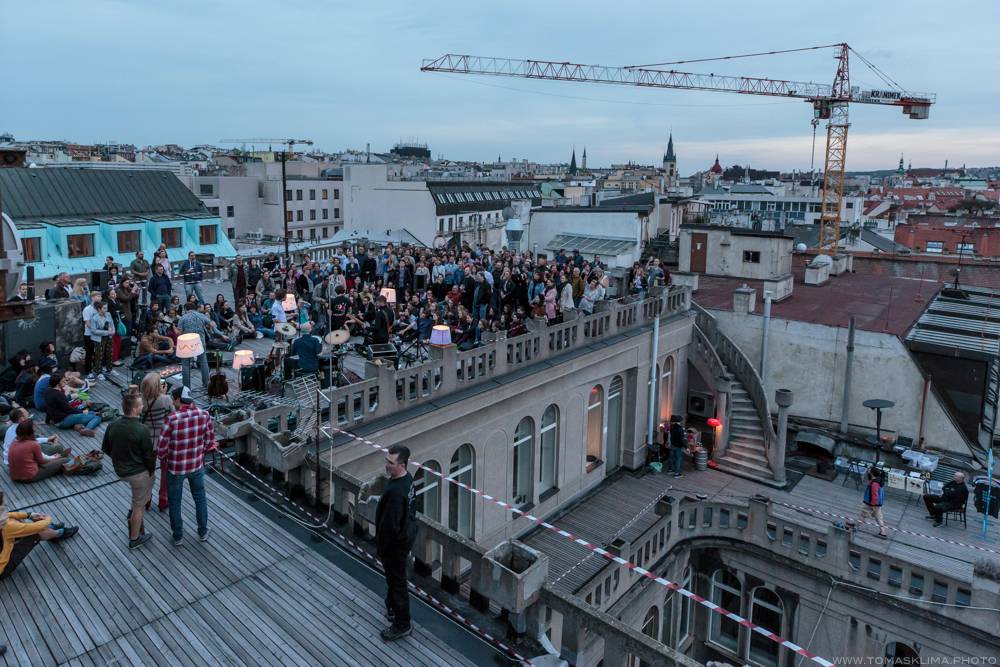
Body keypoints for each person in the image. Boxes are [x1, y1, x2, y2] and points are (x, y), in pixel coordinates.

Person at [158, 386, 216, 546]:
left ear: (178, 399)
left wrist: (164, 458)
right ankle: (203, 532)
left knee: (175, 502)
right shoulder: (204, 415)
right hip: (196, 466)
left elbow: (161, 448)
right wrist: (198, 453)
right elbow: (210, 442)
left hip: (175, 468)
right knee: (200, 498)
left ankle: (178, 536)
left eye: (173, 399)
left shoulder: (172, 419)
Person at [374, 444, 417, 641]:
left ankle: (402, 624)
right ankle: (391, 605)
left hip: (394, 546)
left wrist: (381, 549)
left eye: (390, 463)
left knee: (397, 582)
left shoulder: (396, 493)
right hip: (404, 539)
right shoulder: (408, 479)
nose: (386, 466)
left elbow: (389, 526)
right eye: (386, 461)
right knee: (394, 580)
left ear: (401, 464)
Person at [102, 394, 155, 549]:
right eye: (140, 405)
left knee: (136, 502)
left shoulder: (113, 424)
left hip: (121, 470)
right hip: (138, 473)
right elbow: (148, 456)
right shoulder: (142, 429)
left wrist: (120, 459)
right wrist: (151, 472)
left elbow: (106, 448)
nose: (143, 406)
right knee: (139, 505)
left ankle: (134, 518)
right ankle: (134, 539)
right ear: (134, 409)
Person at [1, 494, 78, 581]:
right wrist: (48, 519)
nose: (5, 509)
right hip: (3, 568)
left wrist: (29, 515)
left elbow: (8, 515)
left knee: (15, 521)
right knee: (36, 534)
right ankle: (59, 533)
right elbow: (37, 527)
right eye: (3, 507)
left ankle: (52, 530)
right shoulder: (6, 526)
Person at [140, 373, 174, 513]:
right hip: (163, 440)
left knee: (148, 472)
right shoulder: (165, 399)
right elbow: (172, 417)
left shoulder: (140, 401)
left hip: (147, 441)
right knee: (165, 471)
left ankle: (147, 499)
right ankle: (163, 499)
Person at [177, 301, 212, 388]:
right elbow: (211, 324)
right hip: (200, 341)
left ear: (186, 309)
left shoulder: (183, 318)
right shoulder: (201, 315)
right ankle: (206, 384)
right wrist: (208, 329)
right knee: (203, 362)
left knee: (185, 364)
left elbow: (179, 333)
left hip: (187, 343)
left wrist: (175, 329)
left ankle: (186, 387)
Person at [850, 468, 888, 538]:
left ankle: (856, 527)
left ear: (872, 473)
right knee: (878, 517)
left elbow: (874, 495)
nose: (868, 470)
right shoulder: (879, 480)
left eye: (869, 470)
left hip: (871, 503)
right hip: (877, 504)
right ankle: (883, 532)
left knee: (863, 515)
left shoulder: (874, 483)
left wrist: (872, 505)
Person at [86, 300, 115, 379]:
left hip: (109, 337)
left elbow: (112, 323)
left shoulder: (108, 314)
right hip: (98, 339)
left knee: (109, 353)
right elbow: (93, 331)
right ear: (99, 309)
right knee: (99, 355)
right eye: (104, 308)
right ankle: (98, 371)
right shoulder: (94, 318)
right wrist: (106, 332)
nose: (106, 310)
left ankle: (109, 369)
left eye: (106, 308)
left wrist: (113, 331)